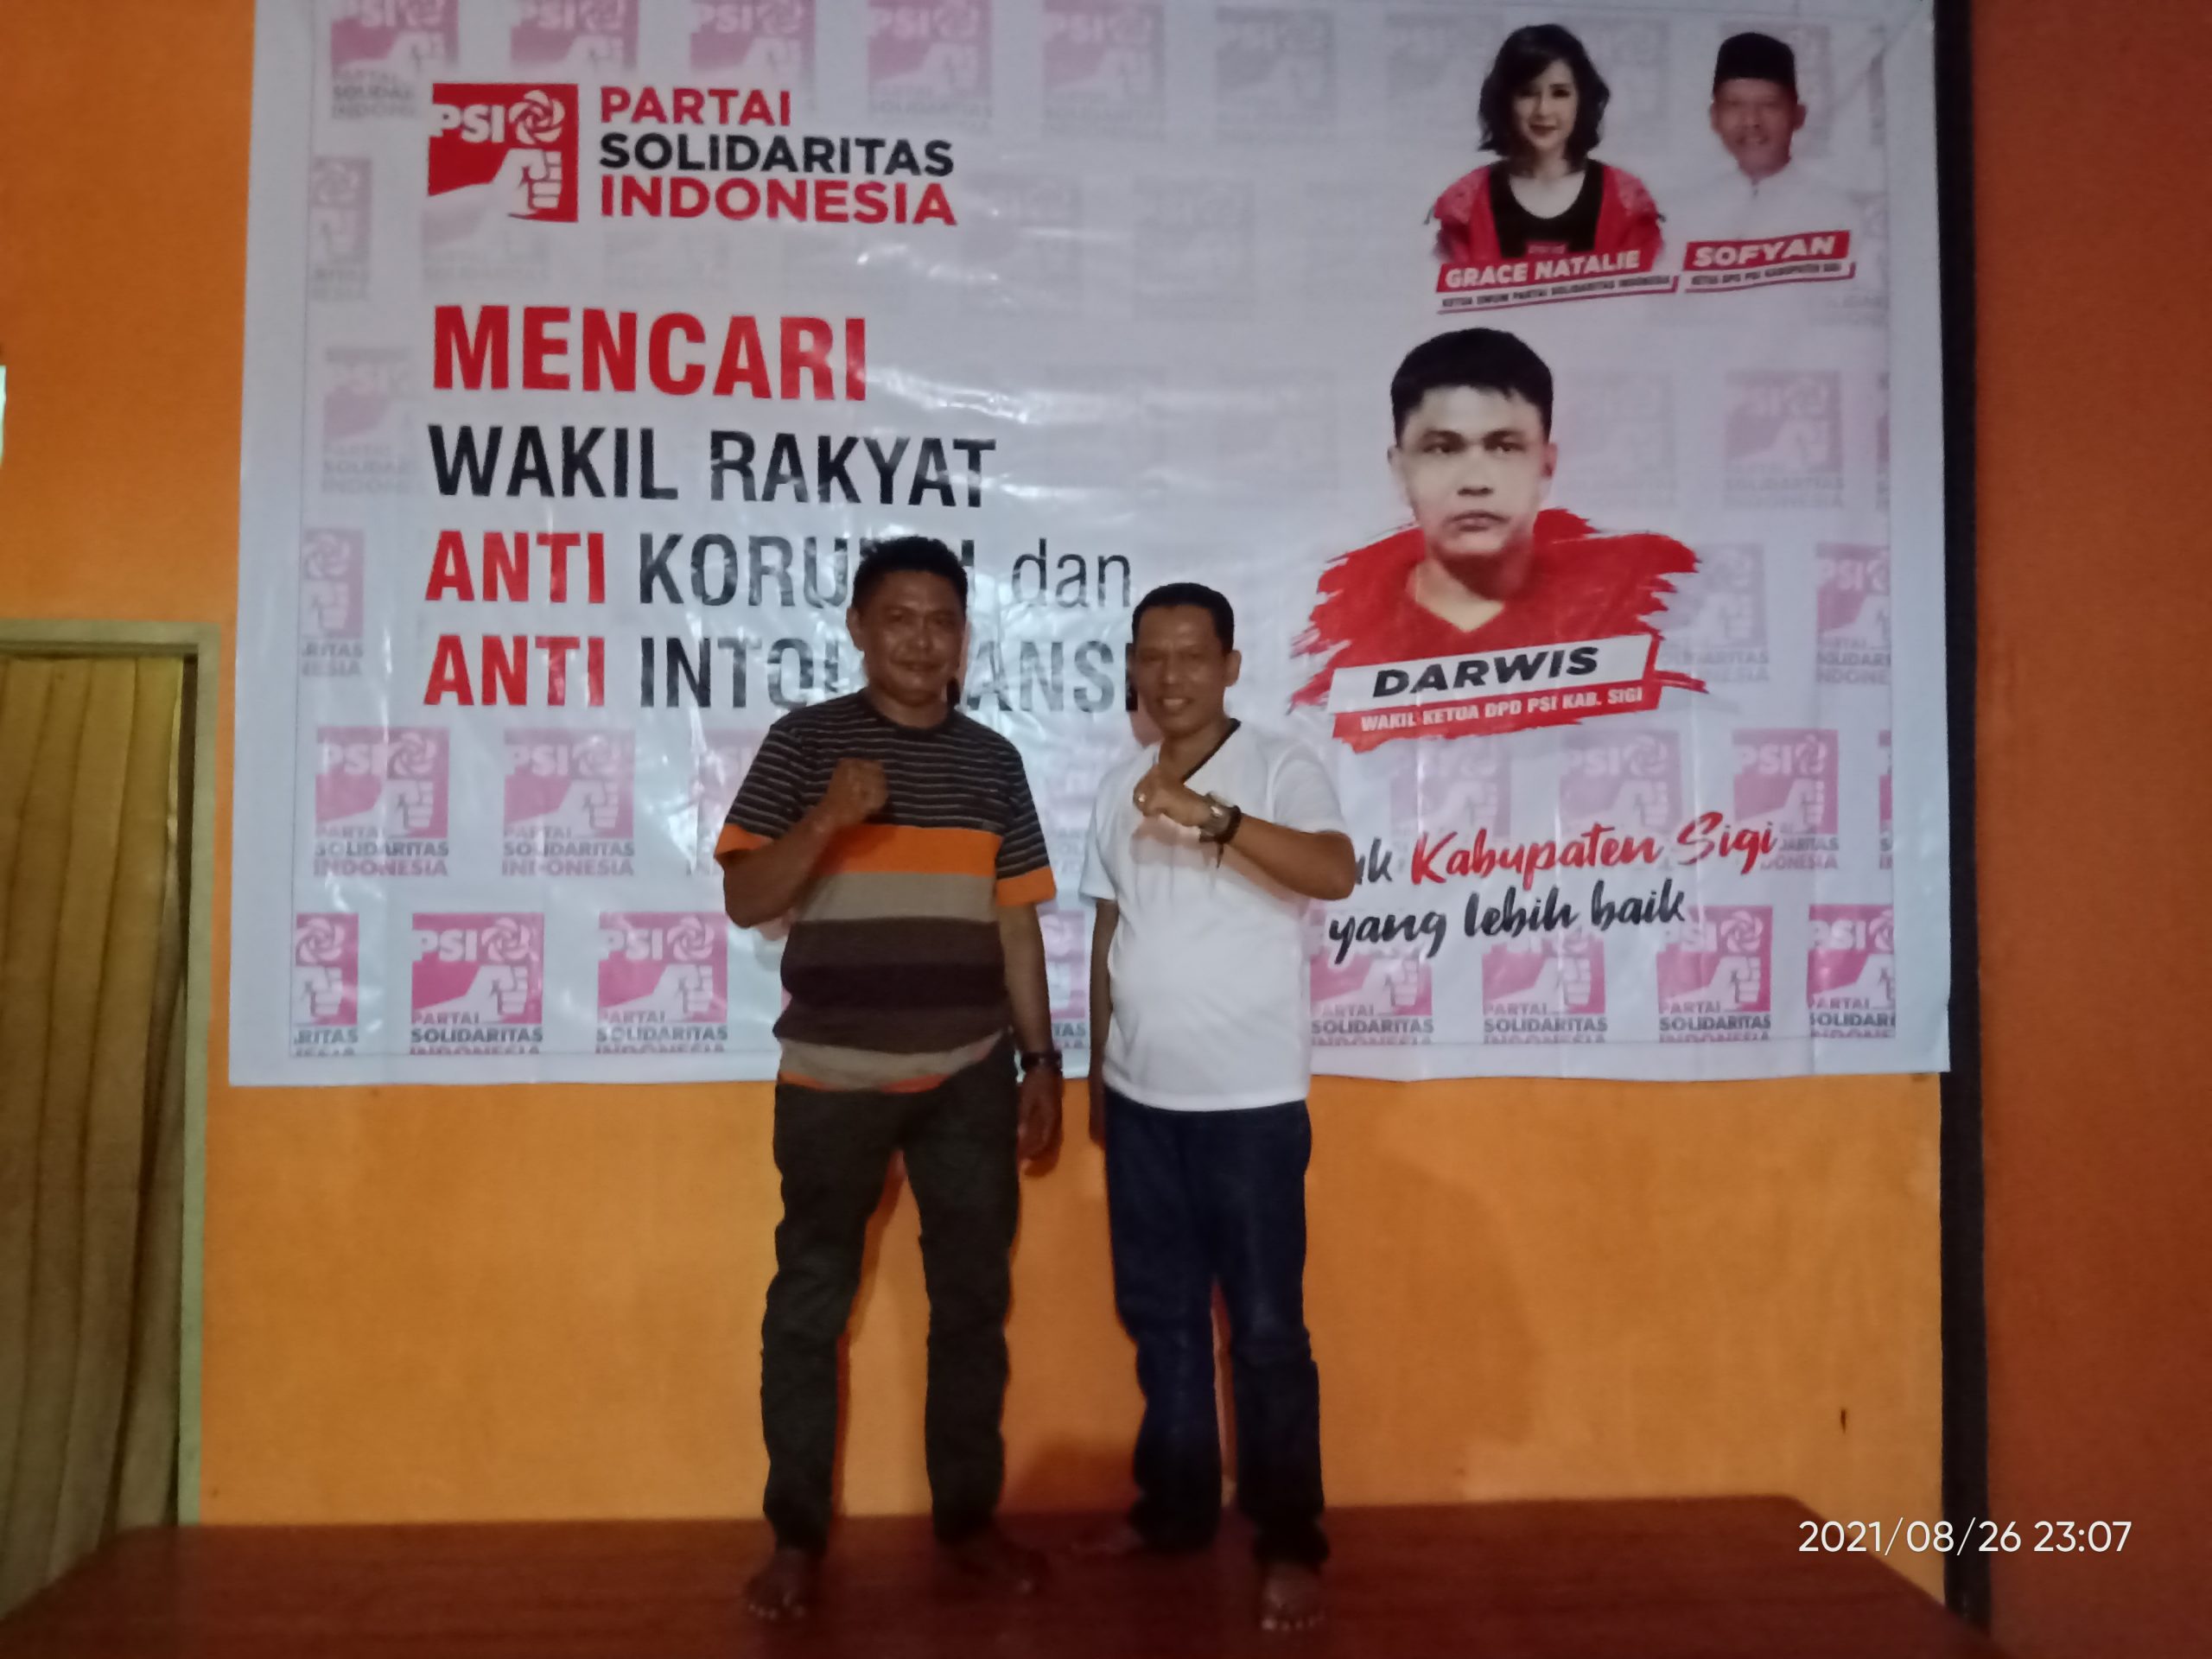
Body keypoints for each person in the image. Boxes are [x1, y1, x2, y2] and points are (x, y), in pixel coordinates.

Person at [715, 535, 1065, 1620]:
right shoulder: (804, 743)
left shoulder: (993, 763)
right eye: (900, 618)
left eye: (942, 621)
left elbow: (1016, 930)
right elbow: (745, 898)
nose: (921, 640)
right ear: (858, 628)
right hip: (832, 1081)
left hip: (969, 1076)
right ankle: (796, 1538)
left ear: (964, 638)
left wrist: (1041, 1059)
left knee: (971, 1305)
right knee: (808, 1309)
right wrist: (828, 817)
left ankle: (966, 1522)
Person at [1079, 583, 1357, 1633]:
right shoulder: (1117, 784)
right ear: (1133, 668)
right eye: (1151, 656)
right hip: (1141, 1100)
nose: (1170, 676)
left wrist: (1215, 817)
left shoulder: (1281, 764)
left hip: (1249, 1105)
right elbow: (1110, 933)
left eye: (1192, 655)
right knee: (1162, 1322)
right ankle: (1177, 1513)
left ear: (1230, 666)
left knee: (1267, 1332)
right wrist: (1100, 1069)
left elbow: (1334, 871)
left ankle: (1289, 1543)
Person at [1293, 327, 1699, 715]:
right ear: (1400, 471)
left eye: (1504, 447)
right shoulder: (1331, 647)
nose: (1475, 483)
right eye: (1442, 449)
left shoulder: (1633, 626)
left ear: (1546, 467)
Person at [1430, 22, 1663, 267]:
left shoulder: (1625, 202)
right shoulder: (1467, 205)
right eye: (1527, 93)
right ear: (1505, 101)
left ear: (1582, 100)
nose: (1543, 110)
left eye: (1560, 93)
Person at [1671, 31, 1863, 243]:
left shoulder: (1836, 212)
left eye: (1769, 105)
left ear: (1798, 116)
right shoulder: (1684, 214)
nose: (1751, 121)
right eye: (1734, 105)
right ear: (1714, 117)